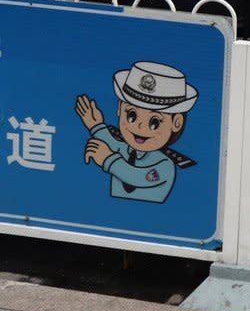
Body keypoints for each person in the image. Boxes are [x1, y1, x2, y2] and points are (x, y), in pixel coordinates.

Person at [75, 61, 198, 204]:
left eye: (154, 122)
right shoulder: (124, 149)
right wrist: (96, 125)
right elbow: (110, 142)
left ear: (176, 123)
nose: (139, 126)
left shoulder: (165, 164)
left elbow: (137, 176)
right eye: (131, 115)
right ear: (120, 109)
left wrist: (107, 160)